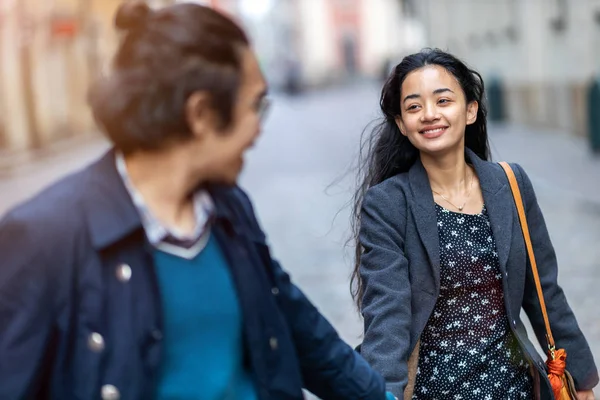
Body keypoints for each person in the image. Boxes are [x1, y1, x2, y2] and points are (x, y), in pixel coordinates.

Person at [0, 3, 394, 399]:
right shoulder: (45, 236)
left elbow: (300, 328)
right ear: (201, 113)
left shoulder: (228, 209)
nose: (258, 129)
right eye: (254, 106)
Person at [350, 48, 598, 400]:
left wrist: (581, 378)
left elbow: (543, 290)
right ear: (402, 124)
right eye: (414, 106)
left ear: (470, 110)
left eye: (443, 100)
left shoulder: (511, 184)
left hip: (516, 388)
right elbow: (387, 314)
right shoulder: (388, 203)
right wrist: (383, 394)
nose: (430, 115)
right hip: (432, 391)